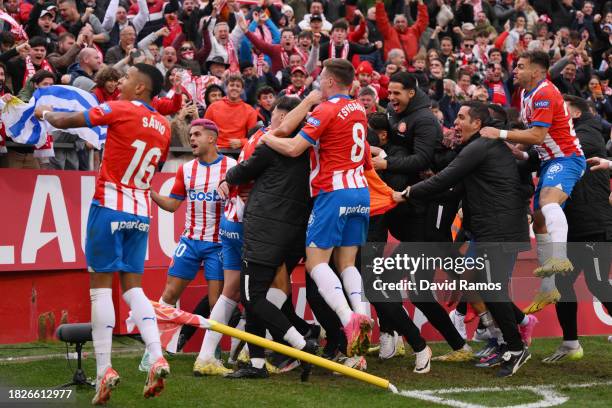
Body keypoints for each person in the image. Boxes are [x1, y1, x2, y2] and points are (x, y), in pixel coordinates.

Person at [34, 64, 171, 405]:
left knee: (100, 291)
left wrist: (45, 112)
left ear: (140, 88)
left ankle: (104, 370)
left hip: (109, 203)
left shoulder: (120, 108)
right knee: (133, 288)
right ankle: (156, 355)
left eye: (126, 79)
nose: (120, 83)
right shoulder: (166, 126)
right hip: (141, 211)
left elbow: (68, 122)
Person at [404, 101, 533, 378]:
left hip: (499, 229)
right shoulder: (480, 148)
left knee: (491, 289)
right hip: (493, 228)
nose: (456, 122)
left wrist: (406, 192)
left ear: (477, 124)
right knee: (485, 287)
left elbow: (445, 179)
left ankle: (515, 344)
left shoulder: (480, 147)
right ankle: (509, 342)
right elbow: (451, 190)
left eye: (461, 117)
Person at [261, 58, 373, 358]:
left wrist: (266, 137)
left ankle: (348, 319)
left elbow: (294, 146)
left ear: (330, 82)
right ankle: (362, 316)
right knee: (347, 264)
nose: (318, 82)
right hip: (360, 191)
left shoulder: (326, 109)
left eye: (321, 77)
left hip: (332, 192)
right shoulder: (359, 108)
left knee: (316, 262)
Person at [220, 95, 320, 379]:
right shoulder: (311, 150)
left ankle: (302, 342)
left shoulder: (270, 147)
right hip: (294, 231)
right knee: (258, 297)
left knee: (253, 298)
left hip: (264, 229)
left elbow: (237, 173)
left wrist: (229, 177)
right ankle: (257, 364)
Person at [480, 51, 586, 282]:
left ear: (536, 72)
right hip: (548, 162)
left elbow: (537, 136)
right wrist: (518, 150)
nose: (515, 71)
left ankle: (560, 256)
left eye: (520, 66)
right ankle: (549, 289)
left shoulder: (545, 92)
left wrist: (499, 134)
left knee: (548, 202)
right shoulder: (527, 94)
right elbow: (534, 136)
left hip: (566, 158)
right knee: (539, 221)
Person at [146, 119, 235, 375]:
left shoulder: (232, 167)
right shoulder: (186, 170)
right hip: (190, 241)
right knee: (169, 294)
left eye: (197, 134)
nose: (192, 139)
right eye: (190, 135)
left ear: (212, 138)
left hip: (219, 244)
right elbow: (174, 204)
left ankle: (212, 354)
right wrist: (150, 193)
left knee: (216, 300)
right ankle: (154, 351)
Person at [543, 95, 612, 363]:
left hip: (594, 226)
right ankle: (570, 343)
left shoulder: (588, 137)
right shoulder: (575, 136)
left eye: (562, 112)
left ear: (573, 114)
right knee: (561, 283)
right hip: (575, 226)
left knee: (597, 283)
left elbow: (557, 151)